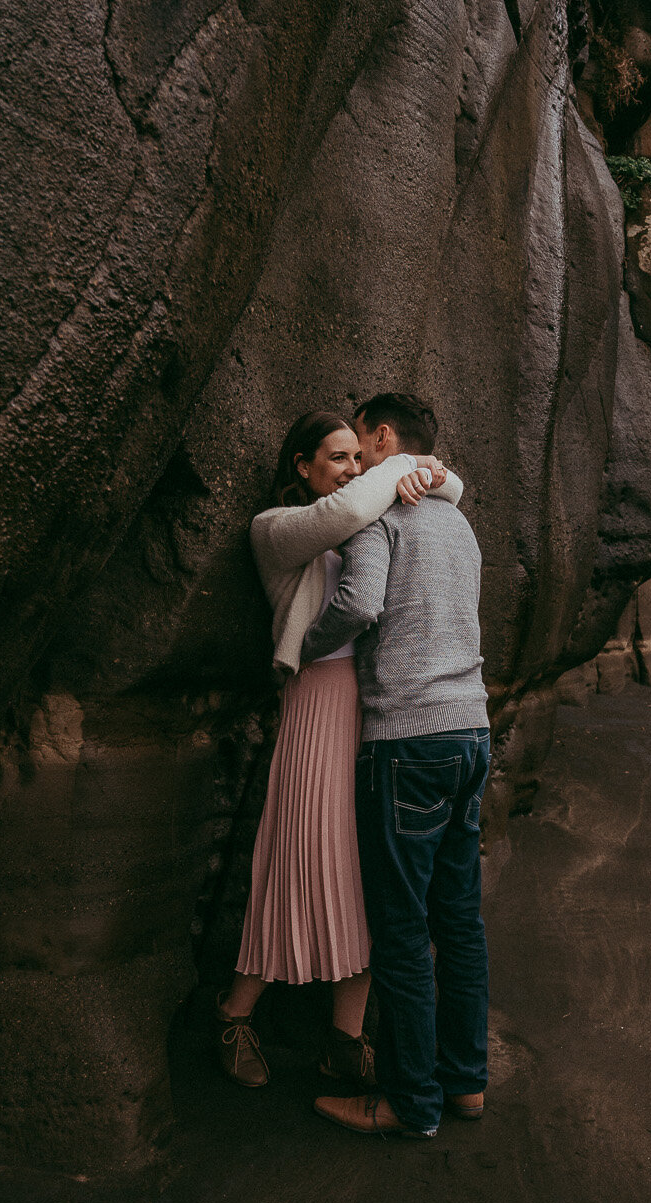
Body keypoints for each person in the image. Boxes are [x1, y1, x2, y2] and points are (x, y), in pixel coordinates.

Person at [214, 409, 463, 1089]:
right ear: (303, 466)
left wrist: (424, 472)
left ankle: (345, 1040)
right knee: (296, 856)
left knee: (364, 869)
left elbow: (455, 490)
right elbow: (351, 509)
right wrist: (408, 469)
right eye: (337, 457)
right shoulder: (277, 528)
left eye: (360, 456)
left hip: (372, 702)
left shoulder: (366, 511)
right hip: (315, 700)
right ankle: (234, 1014)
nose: (355, 469)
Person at [300, 393, 491, 1139]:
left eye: (362, 442)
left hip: (406, 741)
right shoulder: (461, 524)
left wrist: (299, 648)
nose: (356, 457)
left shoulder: (377, 515)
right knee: (460, 923)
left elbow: (357, 603)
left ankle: (410, 1103)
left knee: (404, 932)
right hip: (471, 732)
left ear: (384, 438)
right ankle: (465, 1085)